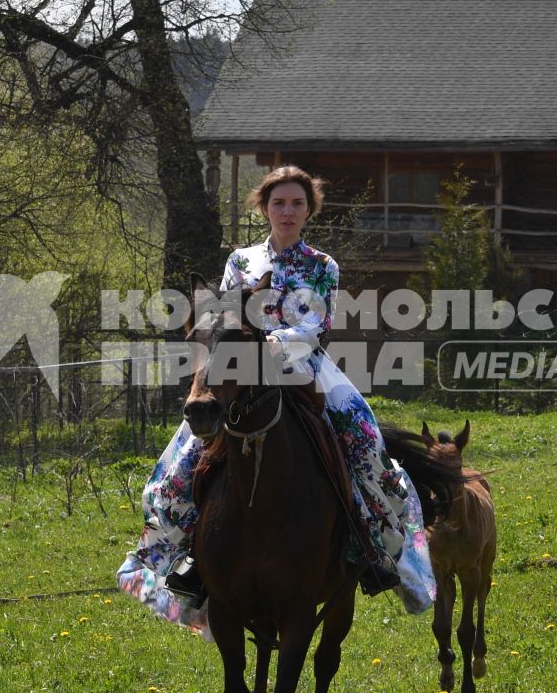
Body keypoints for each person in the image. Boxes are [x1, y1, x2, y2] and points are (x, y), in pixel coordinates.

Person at [115, 166, 437, 635]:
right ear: (264, 208)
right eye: (279, 203)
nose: (288, 212)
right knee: (180, 462)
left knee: (366, 445)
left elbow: (315, 326)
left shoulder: (322, 265)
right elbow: (223, 317)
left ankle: (376, 552)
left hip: (305, 367)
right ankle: (176, 558)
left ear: (310, 210)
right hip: (239, 368)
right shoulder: (239, 261)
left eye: (297, 204)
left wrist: (270, 343)